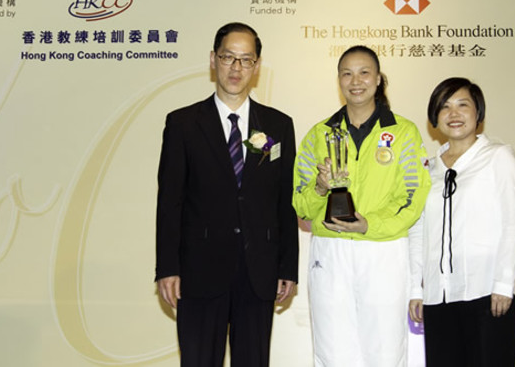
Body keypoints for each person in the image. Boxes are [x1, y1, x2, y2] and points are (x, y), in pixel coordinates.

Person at [155, 22, 299, 367]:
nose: (236, 68)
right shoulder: (183, 123)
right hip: (199, 270)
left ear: (257, 66)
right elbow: (170, 200)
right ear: (212, 59)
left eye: (245, 60)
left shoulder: (278, 125)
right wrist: (167, 267)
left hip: (258, 271)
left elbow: (284, 201)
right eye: (228, 57)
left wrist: (288, 267)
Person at [293, 45, 430, 367]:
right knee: (332, 353)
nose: (356, 81)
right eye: (347, 73)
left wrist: (369, 224)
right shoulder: (319, 134)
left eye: (364, 72)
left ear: (379, 79)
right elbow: (300, 205)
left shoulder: (403, 133)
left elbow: (412, 197)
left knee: (384, 352)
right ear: (338, 81)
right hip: (330, 253)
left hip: (383, 251)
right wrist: (319, 187)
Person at [408, 78, 515, 366]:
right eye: (445, 107)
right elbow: (418, 232)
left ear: (478, 112)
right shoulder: (428, 168)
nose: (454, 114)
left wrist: (503, 283)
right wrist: (416, 289)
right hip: (438, 298)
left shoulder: (498, 157)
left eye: (463, 105)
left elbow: (514, 223)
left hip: (486, 293)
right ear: (435, 117)